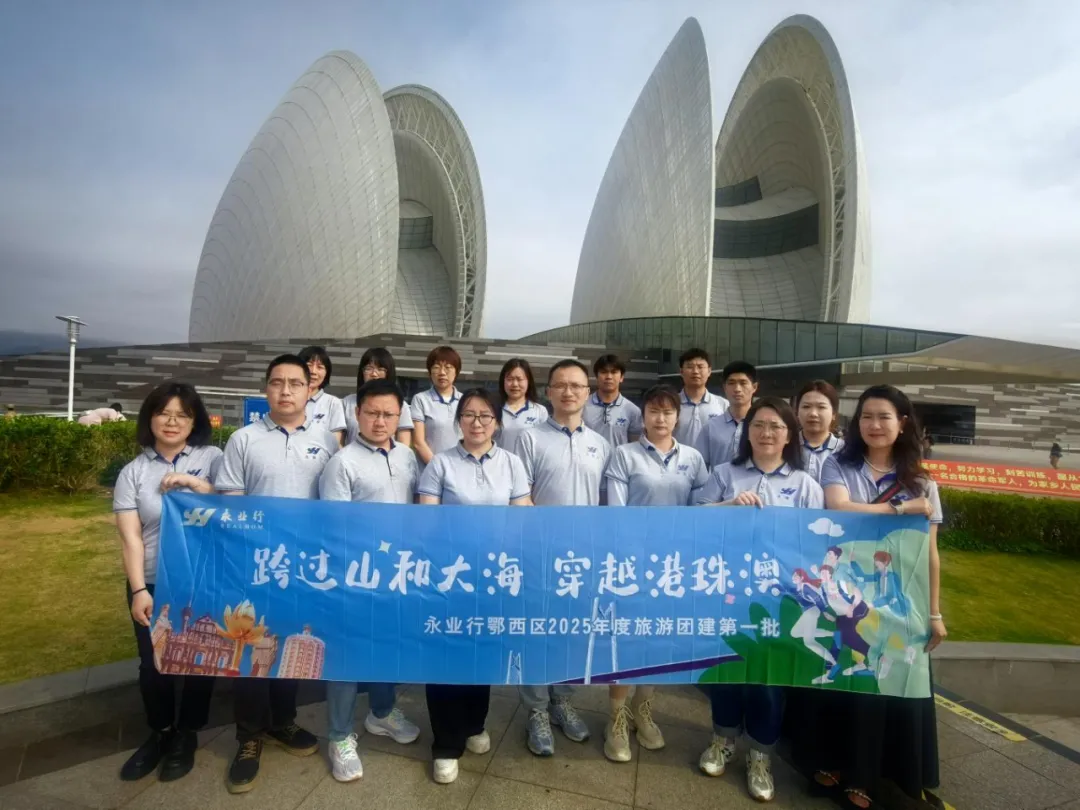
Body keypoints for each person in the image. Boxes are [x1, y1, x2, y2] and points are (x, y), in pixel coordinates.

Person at [812, 384, 945, 809]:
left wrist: (935, 613)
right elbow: (839, 508)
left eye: (884, 416)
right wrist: (902, 509)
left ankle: (868, 775)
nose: (874, 425)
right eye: (866, 416)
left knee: (884, 683)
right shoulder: (839, 465)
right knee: (845, 676)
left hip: (897, 597)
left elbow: (930, 553)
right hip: (848, 595)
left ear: (902, 423)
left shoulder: (923, 482)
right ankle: (834, 761)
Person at [215, 354, 339, 794]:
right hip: (255, 564)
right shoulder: (243, 439)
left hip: (304, 567)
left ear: (310, 389)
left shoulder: (327, 441)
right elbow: (231, 502)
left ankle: (283, 721)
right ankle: (249, 737)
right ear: (266, 389)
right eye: (277, 382)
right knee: (251, 651)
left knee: (290, 646)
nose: (285, 391)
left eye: (295, 383)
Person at [695, 396, 823, 803]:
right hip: (727, 591)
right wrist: (729, 505)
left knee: (769, 678)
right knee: (727, 668)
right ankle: (723, 739)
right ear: (746, 432)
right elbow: (692, 521)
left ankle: (761, 755)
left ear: (789, 435)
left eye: (776, 426)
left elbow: (814, 544)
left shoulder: (805, 484)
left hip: (780, 599)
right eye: (758, 425)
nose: (766, 433)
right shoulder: (725, 473)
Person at [418, 388, 533, 784]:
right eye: (469, 414)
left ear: (497, 422)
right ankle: (446, 744)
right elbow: (427, 523)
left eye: (485, 415)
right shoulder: (441, 464)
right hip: (451, 577)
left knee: (482, 651)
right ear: (458, 421)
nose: (477, 422)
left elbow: (521, 519)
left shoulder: (513, 463)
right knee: (445, 656)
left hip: (494, 577)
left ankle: (473, 723)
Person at [113, 381, 222, 783]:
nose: (172, 422)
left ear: (195, 421)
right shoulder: (134, 472)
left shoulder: (213, 458)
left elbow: (232, 506)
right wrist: (138, 589)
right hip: (154, 580)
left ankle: (187, 733)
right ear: (150, 419)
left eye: (182, 415)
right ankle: (160, 732)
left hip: (202, 579)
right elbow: (131, 537)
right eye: (164, 413)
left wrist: (196, 485)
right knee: (153, 664)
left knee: (200, 659)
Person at [318, 378, 421, 783]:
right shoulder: (342, 463)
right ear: (357, 414)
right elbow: (333, 527)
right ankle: (340, 735)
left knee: (387, 648)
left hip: (399, 575)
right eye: (373, 413)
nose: (380, 421)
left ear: (399, 417)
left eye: (389, 414)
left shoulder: (408, 457)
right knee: (347, 655)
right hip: (355, 576)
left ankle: (381, 712)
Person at [602, 384, 708, 763]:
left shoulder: (693, 459)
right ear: (643, 416)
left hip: (673, 569)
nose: (660, 419)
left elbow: (700, 513)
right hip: (632, 566)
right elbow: (616, 515)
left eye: (667, 412)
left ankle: (643, 709)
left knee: (658, 639)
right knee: (625, 640)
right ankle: (616, 716)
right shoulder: (624, 455)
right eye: (653, 411)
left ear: (677, 417)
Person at [513, 359, 611, 756]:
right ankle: (536, 709)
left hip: (582, 557)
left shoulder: (600, 444)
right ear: (549, 392)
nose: (568, 392)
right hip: (540, 554)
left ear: (587, 393)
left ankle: (563, 700)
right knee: (537, 631)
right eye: (560, 385)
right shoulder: (529, 438)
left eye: (576, 385)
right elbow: (521, 497)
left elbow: (603, 503)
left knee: (573, 632)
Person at [342, 347, 414, 447]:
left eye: (380, 369)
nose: (374, 374)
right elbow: (339, 441)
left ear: (389, 373)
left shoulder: (400, 404)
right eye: (369, 368)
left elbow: (404, 442)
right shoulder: (347, 402)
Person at [698, 361, 758, 469]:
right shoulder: (711, 427)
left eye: (743, 383)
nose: (737, 389)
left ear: (754, 387)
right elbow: (700, 466)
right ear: (724, 387)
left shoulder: (763, 426)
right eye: (731, 383)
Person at [411, 345, 463, 469]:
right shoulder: (420, 399)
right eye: (436, 367)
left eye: (448, 367)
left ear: (456, 372)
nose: (442, 373)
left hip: (460, 469)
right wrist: (439, 468)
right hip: (430, 469)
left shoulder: (465, 401)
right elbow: (418, 443)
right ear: (429, 371)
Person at [672, 349, 728, 449]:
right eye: (690, 367)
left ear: (709, 371)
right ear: (681, 372)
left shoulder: (723, 405)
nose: (695, 371)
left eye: (700, 367)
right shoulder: (671, 403)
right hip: (678, 458)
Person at [583, 354, 642, 447]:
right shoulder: (582, 406)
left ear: (621, 377)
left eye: (614, 372)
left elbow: (636, 445)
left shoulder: (632, 410)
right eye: (603, 372)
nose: (609, 377)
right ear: (596, 376)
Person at [795, 380, 845, 482]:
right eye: (806, 406)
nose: (813, 413)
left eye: (821, 407)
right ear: (797, 412)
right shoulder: (785, 446)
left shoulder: (844, 450)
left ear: (834, 414)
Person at [494, 358, 547, 451]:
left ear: (528, 381)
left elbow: (545, 445)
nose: (515, 384)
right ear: (503, 381)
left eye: (520, 379)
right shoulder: (492, 409)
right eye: (510, 379)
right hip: (499, 460)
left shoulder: (540, 411)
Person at [298, 345, 346, 445]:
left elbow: (336, 444)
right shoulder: (288, 399)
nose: (313, 371)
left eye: (320, 367)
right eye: (309, 365)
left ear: (326, 374)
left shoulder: (333, 403)